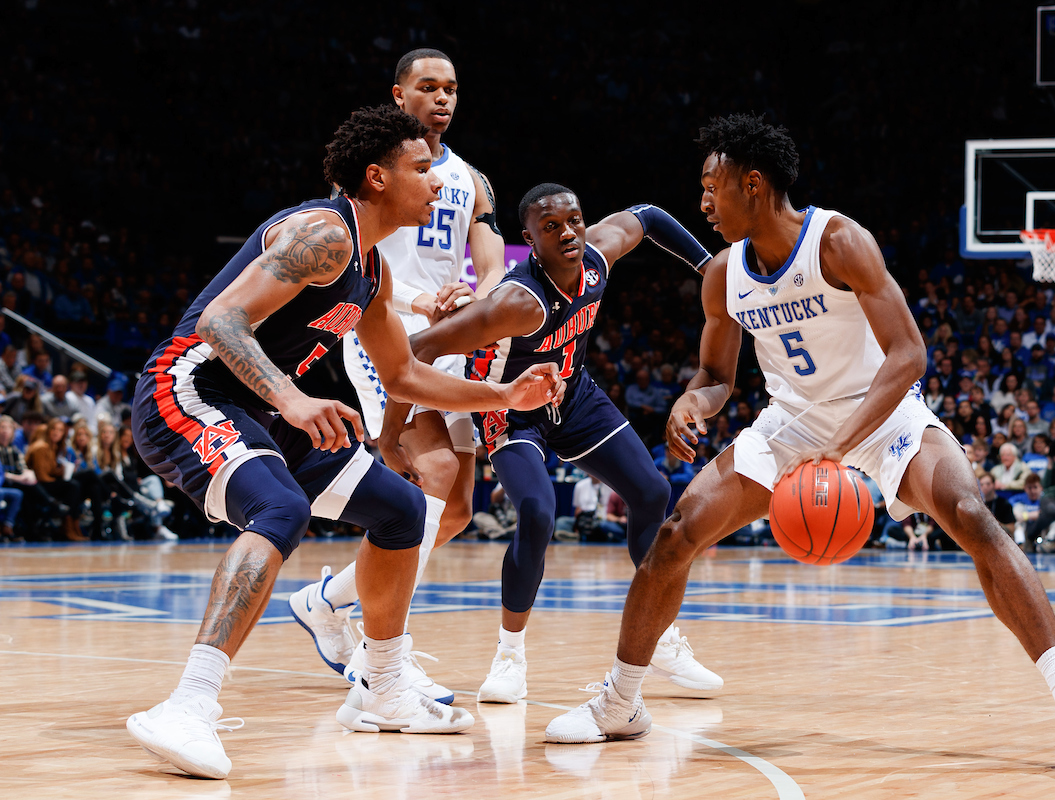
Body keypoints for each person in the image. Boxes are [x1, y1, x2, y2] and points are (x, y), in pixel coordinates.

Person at [545, 114, 1055, 754]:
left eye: (713, 188)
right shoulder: (722, 274)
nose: (704, 204)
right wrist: (693, 401)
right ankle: (619, 704)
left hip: (882, 412)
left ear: (754, 183)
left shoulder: (838, 241)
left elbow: (908, 354)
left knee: (970, 512)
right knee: (676, 532)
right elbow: (717, 373)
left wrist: (847, 440)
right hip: (792, 422)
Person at [124, 105, 563, 780]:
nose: (438, 183)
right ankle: (187, 704)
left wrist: (503, 397)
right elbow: (220, 321)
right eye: (422, 169)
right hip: (187, 392)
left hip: (264, 409)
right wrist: (294, 399)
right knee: (281, 510)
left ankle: (382, 687)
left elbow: (405, 373)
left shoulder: (372, 268)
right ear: (376, 177)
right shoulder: (323, 232)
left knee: (402, 513)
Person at [403, 181, 722, 704]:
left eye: (574, 220)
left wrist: (707, 266)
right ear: (530, 239)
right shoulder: (513, 303)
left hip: (573, 395)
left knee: (651, 493)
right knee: (537, 511)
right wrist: (395, 428)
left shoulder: (595, 257)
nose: (568, 233)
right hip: (511, 407)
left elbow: (649, 213)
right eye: (551, 228)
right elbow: (418, 349)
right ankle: (509, 654)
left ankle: (659, 638)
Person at [293, 48, 508, 705]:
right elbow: (355, 257)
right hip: (384, 332)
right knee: (432, 482)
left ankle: (326, 601)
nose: (442, 98)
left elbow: (492, 257)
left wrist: (481, 299)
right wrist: (420, 305)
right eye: (428, 87)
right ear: (398, 94)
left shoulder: (471, 179)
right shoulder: (374, 171)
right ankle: (383, 654)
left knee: (459, 509)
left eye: (451, 88)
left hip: (449, 340)